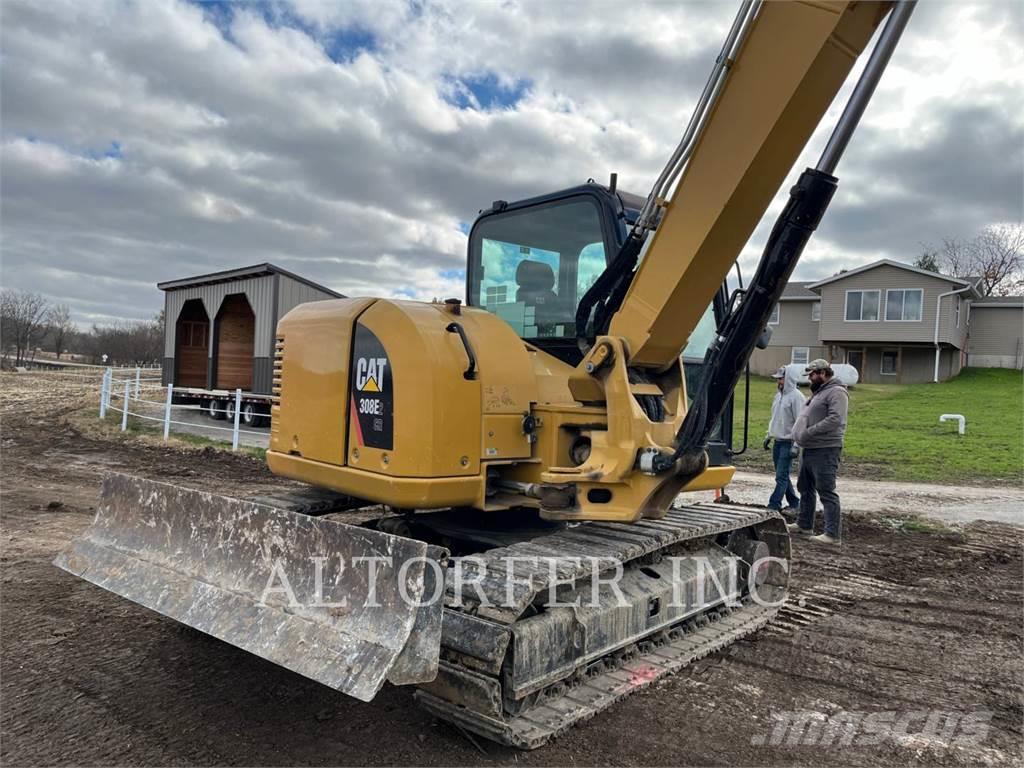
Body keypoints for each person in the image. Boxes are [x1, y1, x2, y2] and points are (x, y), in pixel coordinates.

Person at [789, 359, 848, 545]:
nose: (810, 379)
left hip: (825, 448)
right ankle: (804, 524)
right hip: (810, 447)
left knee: (826, 490)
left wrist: (809, 432)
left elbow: (835, 419)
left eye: (812, 375)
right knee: (805, 488)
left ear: (823, 373)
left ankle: (832, 534)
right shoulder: (819, 393)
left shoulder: (837, 392)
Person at [763, 365, 805, 514]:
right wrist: (769, 435)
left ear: (789, 379)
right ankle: (795, 502)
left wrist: (797, 444)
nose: (778, 382)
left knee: (781, 476)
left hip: (789, 443)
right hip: (778, 442)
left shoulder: (797, 397)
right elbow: (774, 418)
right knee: (782, 476)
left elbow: (801, 422)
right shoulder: (778, 396)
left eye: (781, 378)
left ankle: (774, 505)